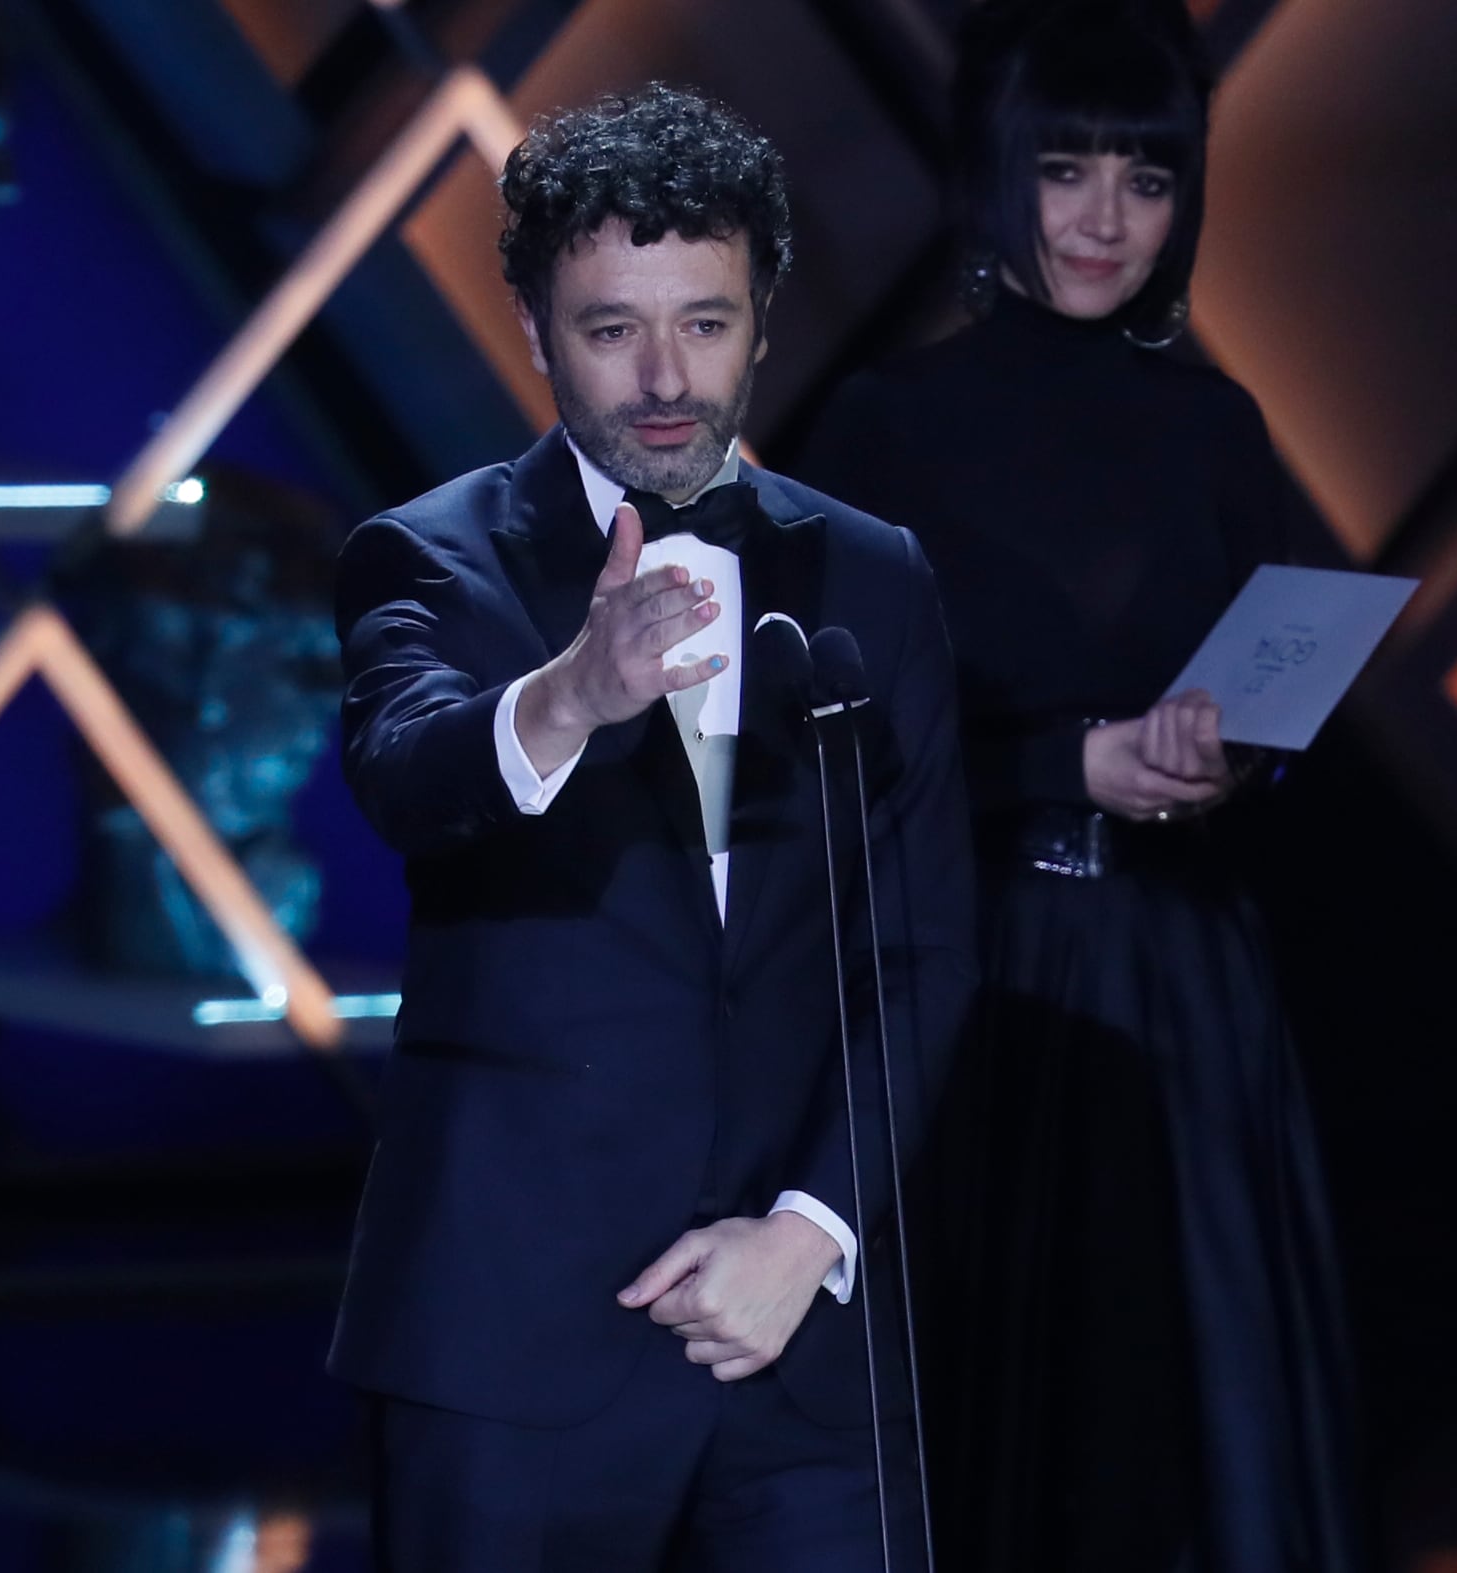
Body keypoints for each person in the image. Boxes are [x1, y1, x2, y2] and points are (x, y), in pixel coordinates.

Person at [328, 84, 974, 1571]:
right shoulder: (432, 557)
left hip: (802, 1338)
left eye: (708, 321)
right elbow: (407, 773)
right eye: (614, 328)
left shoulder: (874, 578)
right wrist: (571, 694)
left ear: (766, 317)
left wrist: (812, 1227)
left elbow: (926, 944)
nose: (667, 378)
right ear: (532, 322)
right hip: (511, 1348)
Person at [799, 4, 1362, 1568]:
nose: (1107, 218)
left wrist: (1229, 760)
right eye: (1067, 170)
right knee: (995, 1428)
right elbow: (831, 756)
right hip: (981, 981)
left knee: (1197, 1435)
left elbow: (1284, 729)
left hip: (1192, 983)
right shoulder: (886, 428)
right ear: (997, 176)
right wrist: (1069, 764)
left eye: (1147, 177)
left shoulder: (1219, 425)